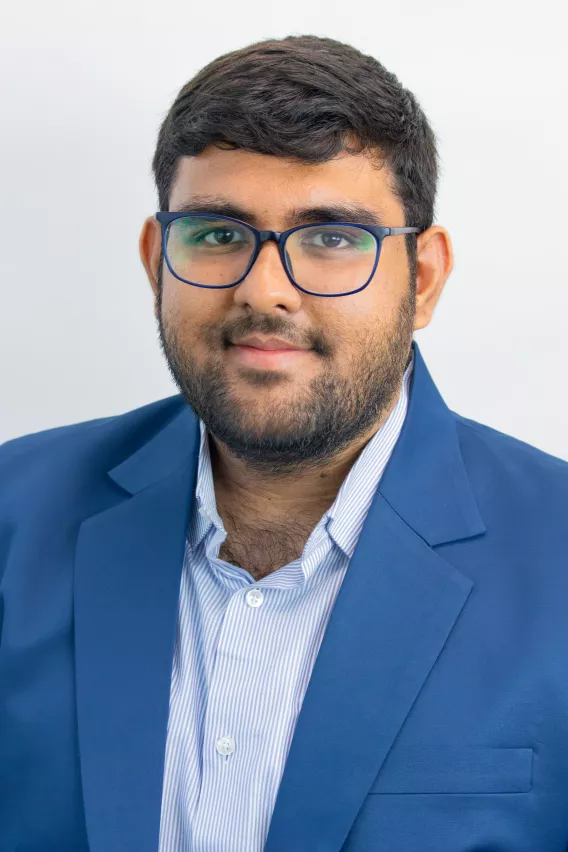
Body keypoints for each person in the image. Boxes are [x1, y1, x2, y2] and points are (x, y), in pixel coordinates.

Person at [1, 33, 567, 852]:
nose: (264, 291)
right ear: (158, 263)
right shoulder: (13, 517)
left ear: (423, 279)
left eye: (332, 237)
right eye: (218, 234)